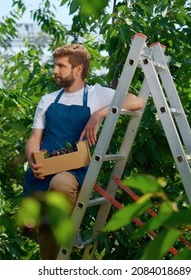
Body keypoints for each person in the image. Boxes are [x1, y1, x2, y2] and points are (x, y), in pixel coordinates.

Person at [23, 43, 144, 259]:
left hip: (73, 168)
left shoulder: (96, 95)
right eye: (55, 65)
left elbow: (136, 101)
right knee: (47, 233)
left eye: (61, 66)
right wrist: (32, 159)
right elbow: (34, 138)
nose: (55, 70)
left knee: (59, 185)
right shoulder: (48, 100)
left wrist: (99, 114)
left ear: (78, 69)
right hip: (44, 167)